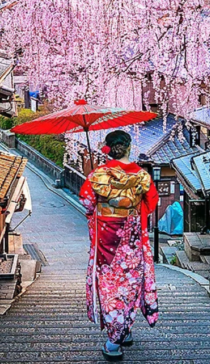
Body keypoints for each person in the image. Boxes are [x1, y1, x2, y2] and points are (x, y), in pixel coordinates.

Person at [79, 130, 159, 361]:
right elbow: (151, 203)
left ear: (108, 148)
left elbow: (86, 203)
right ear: (128, 147)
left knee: (111, 284)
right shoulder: (141, 175)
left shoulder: (98, 175)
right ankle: (125, 328)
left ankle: (114, 341)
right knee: (131, 280)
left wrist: (98, 182)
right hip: (131, 235)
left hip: (106, 236)